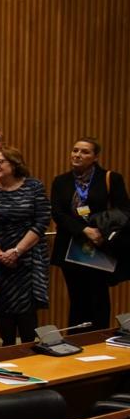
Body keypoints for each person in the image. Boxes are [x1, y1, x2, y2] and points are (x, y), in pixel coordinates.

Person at [51, 137, 128, 332]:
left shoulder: (111, 178)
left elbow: (124, 210)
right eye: (75, 150)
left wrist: (100, 232)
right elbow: (58, 214)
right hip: (71, 247)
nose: (78, 155)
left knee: (98, 297)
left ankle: (98, 340)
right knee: (77, 298)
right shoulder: (61, 181)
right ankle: (77, 340)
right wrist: (85, 230)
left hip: (100, 246)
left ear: (95, 157)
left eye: (85, 152)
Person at [0, 146, 50, 346]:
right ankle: (7, 356)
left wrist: (17, 251)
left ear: (14, 164)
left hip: (28, 258)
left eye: (0, 162)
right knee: (5, 312)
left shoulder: (33, 186)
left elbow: (42, 221)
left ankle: (30, 357)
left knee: (27, 315)